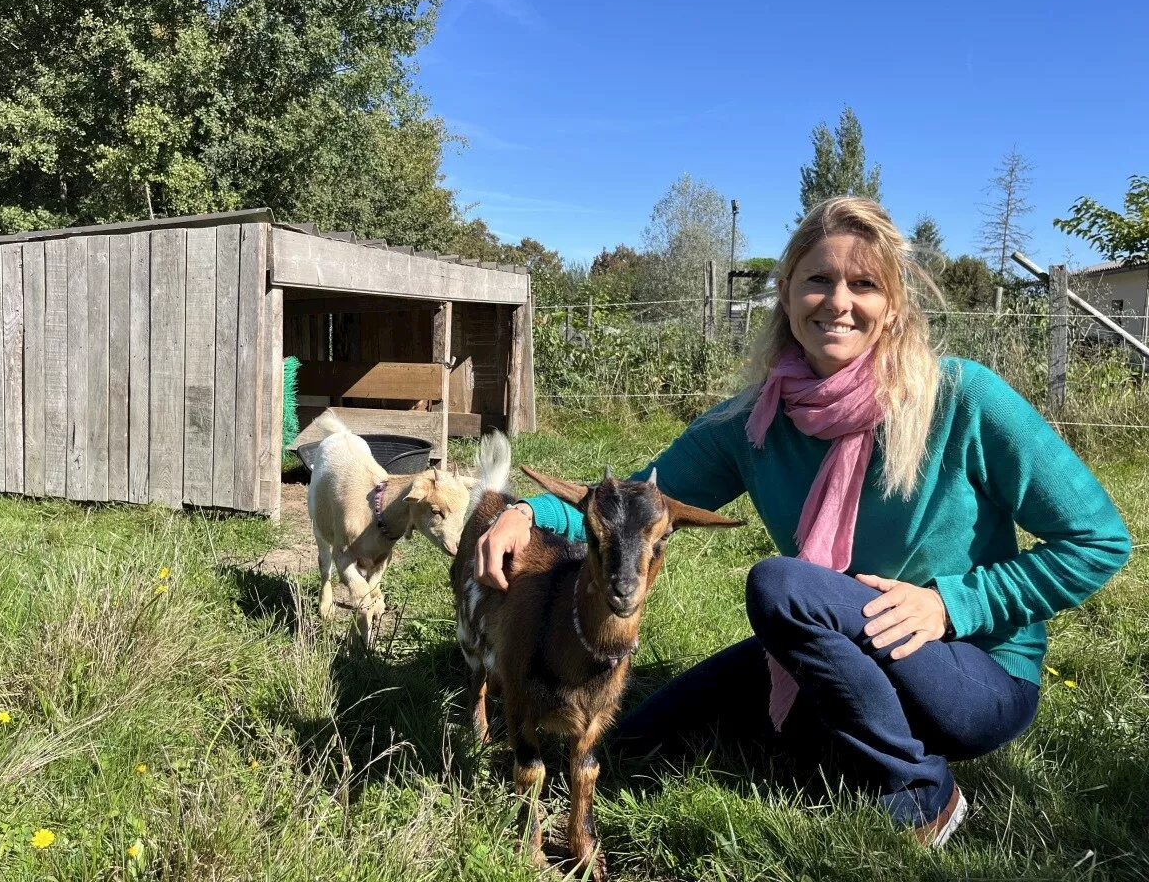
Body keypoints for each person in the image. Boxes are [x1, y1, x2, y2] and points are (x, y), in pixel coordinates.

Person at [473, 196, 1131, 848]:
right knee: (642, 737)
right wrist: (527, 513)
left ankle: (925, 794)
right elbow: (636, 496)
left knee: (780, 587)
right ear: (786, 294)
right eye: (819, 279)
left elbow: (1099, 540)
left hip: (975, 673)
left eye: (864, 284)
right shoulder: (753, 423)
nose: (839, 301)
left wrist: (951, 605)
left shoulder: (963, 398)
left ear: (893, 304)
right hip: (838, 640)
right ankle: (841, 743)